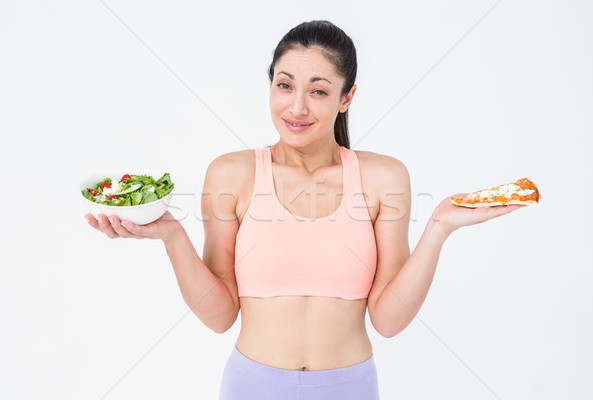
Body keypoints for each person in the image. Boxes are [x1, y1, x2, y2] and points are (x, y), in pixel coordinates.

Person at [85, 20, 523, 400]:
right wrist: (172, 237)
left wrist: (439, 227)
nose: (296, 107)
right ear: (270, 84)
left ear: (346, 98)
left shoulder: (383, 178)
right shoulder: (231, 174)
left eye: (318, 91)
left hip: (348, 388)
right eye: (284, 85)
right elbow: (220, 316)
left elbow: (388, 321)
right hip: (251, 387)